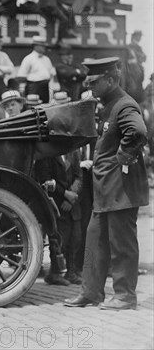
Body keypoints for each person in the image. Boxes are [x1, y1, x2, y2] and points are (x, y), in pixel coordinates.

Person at [64, 57, 149, 310]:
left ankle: (125, 295)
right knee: (94, 242)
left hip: (121, 188)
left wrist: (121, 159)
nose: (89, 87)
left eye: (94, 82)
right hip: (105, 190)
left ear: (111, 80)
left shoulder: (124, 106)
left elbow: (138, 133)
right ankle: (91, 292)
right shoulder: (106, 105)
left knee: (121, 243)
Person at [35, 149, 83, 286]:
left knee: (76, 238)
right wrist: (65, 194)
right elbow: (45, 180)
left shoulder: (73, 152)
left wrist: (71, 196)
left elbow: (79, 176)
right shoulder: (46, 154)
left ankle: (71, 272)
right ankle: (55, 273)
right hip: (56, 203)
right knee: (59, 239)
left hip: (72, 203)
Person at [17, 36, 57, 103]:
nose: (44, 48)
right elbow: (21, 76)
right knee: (34, 107)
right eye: (42, 46)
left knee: (46, 106)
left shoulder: (46, 59)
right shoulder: (28, 58)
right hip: (34, 87)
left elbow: (51, 73)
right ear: (35, 46)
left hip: (46, 87)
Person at [125, 30, 147, 104]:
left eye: (140, 36)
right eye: (138, 35)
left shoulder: (138, 47)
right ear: (134, 36)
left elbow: (144, 58)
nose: (140, 37)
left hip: (137, 72)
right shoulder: (130, 47)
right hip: (132, 71)